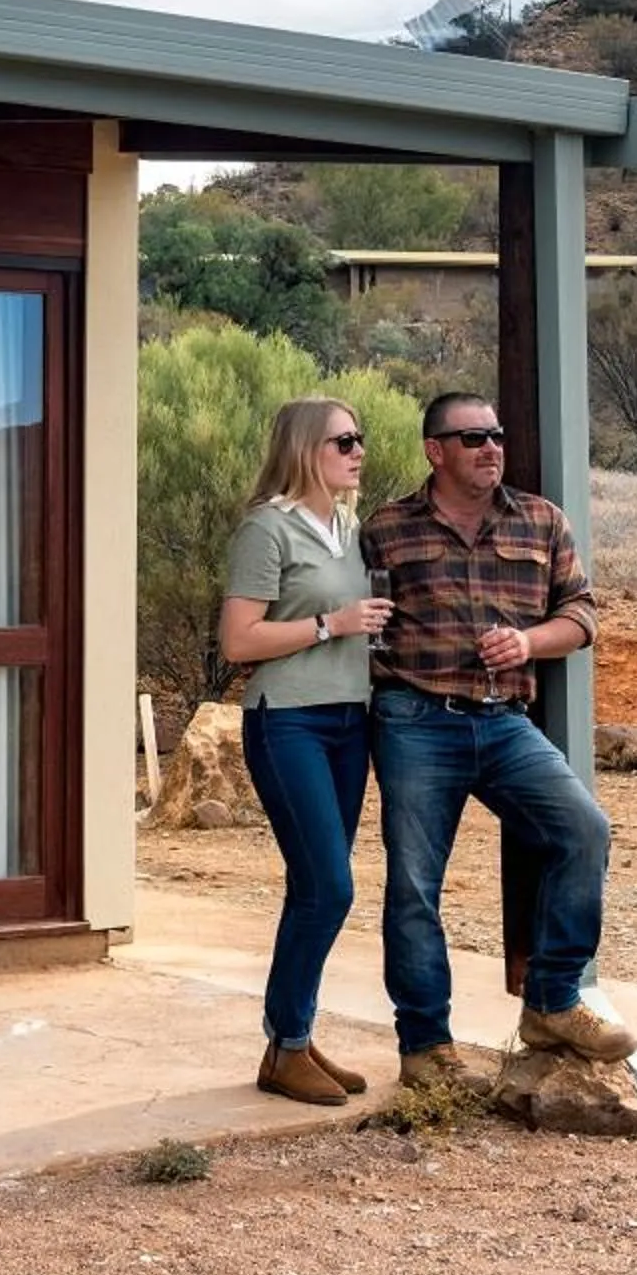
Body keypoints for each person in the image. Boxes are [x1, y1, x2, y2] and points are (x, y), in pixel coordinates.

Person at [361, 391, 634, 1085]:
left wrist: (527, 642)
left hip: (505, 723)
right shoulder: (388, 528)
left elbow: (582, 614)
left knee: (584, 831)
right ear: (436, 450)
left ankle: (552, 1000)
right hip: (415, 721)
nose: (492, 448)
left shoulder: (541, 521)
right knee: (415, 885)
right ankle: (426, 1046)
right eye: (474, 437)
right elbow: (361, 622)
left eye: (498, 434)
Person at [217, 397, 394, 1106]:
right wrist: (333, 622)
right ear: (303, 450)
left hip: (351, 724)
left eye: (361, 439)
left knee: (313, 887)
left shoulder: (349, 525)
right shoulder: (266, 530)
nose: (359, 451)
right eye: (344, 441)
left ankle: (292, 1041)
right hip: (287, 721)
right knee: (331, 885)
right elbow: (237, 642)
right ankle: (287, 1044)